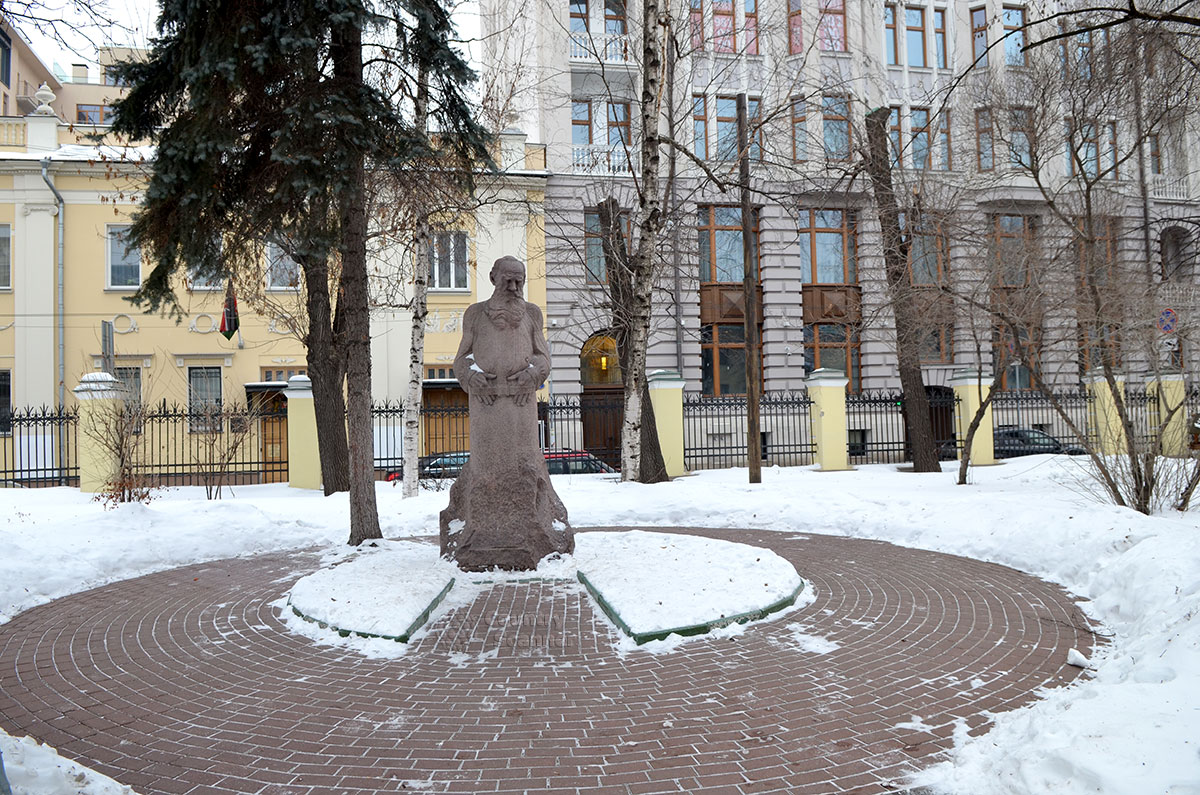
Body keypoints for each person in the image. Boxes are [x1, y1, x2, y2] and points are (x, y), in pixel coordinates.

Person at [439, 256, 572, 570]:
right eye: (507, 280)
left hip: (521, 404)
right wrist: (469, 377)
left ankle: (532, 529)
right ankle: (478, 531)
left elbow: (543, 357)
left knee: (524, 466)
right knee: (486, 471)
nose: (513, 287)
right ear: (492, 278)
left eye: (519, 281)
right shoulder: (475, 314)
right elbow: (461, 358)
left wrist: (534, 375)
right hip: (484, 406)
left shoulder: (532, 314)